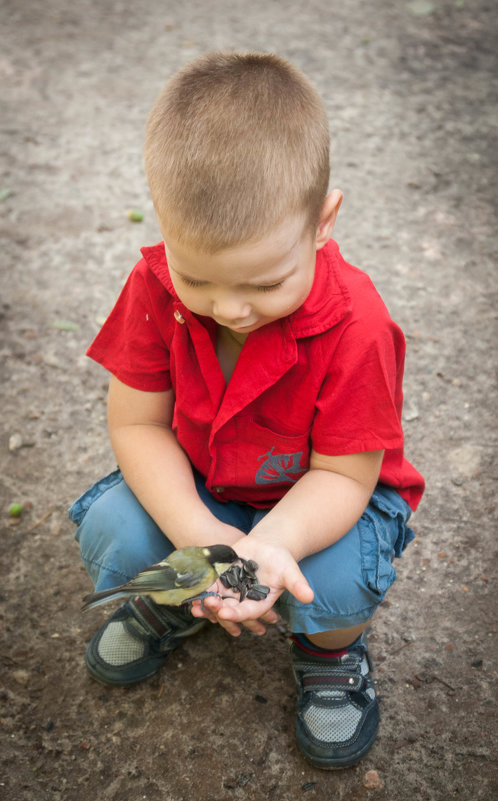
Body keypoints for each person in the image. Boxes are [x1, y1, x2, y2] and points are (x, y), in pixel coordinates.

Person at [69, 51, 424, 769]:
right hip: (206, 488)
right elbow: (136, 422)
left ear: (323, 221)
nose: (229, 308)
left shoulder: (358, 325)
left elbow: (345, 478)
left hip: (324, 501)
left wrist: (272, 546)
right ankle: (179, 595)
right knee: (117, 527)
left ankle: (329, 650)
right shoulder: (155, 283)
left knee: (334, 584)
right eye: (196, 276)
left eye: (264, 282)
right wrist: (207, 545)